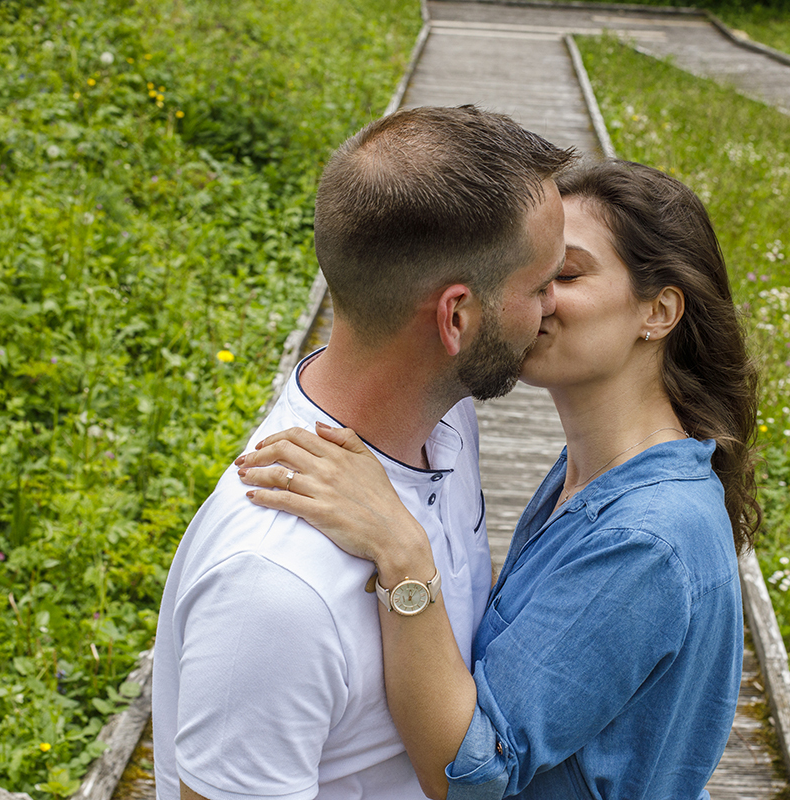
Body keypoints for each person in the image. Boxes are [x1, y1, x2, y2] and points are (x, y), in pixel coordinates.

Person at [236, 159, 762, 799]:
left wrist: (404, 554)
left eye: (564, 274)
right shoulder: (596, 476)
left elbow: (475, 775)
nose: (535, 298)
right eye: (532, 272)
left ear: (658, 310)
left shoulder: (647, 540)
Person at [151, 105, 576, 800]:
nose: (555, 306)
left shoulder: (447, 416)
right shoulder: (276, 591)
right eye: (539, 285)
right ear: (457, 317)